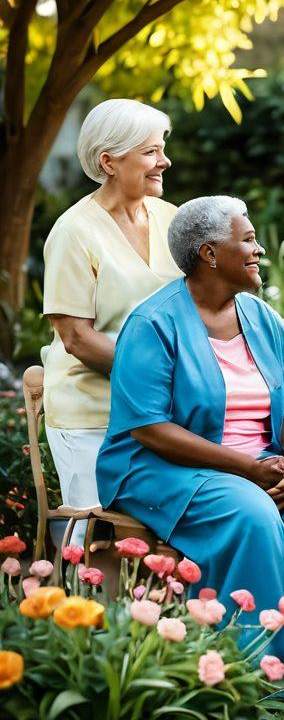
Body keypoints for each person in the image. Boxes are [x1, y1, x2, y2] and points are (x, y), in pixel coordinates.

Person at [96, 197, 284, 716]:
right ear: (208, 253)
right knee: (252, 516)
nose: (259, 248)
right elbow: (150, 427)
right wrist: (248, 469)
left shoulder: (259, 315)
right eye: (247, 240)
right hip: (163, 465)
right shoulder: (154, 323)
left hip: (263, 457)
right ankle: (267, 669)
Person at [42, 100, 181, 547]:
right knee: (97, 543)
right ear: (109, 161)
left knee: (163, 539)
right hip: (93, 415)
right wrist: (158, 381)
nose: (165, 161)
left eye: (162, 149)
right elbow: (77, 338)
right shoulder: (73, 232)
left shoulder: (171, 218)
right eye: (150, 152)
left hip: (163, 415)